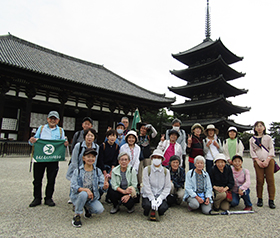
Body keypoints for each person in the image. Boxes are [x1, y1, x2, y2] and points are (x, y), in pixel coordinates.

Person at [28, 111, 68, 207]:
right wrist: (31, 141)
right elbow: (34, 141)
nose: (53, 120)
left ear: (58, 120)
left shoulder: (60, 131)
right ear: (47, 119)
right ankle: (37, 198)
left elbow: (62, 143)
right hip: (40, 158)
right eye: (51, 118)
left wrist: (65, 144)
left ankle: (48, 198)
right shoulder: (41, 129)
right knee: (37, 179)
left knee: (51, 179)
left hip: (53, 159)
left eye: (55, 119)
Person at [70, 148, 109, 228]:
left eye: (93, 157)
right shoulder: (77, 171)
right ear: (83, 158)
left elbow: (102, 185)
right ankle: (77, 215)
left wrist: (105, 187)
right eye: (88, 156)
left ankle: (87, 208)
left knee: (100, 210)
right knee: (84, 194)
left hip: (92, 198)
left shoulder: (97, 171)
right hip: (79, 196)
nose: (91, 159)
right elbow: (73, 186)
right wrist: (86, 190)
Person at [249, 121, 276, 209]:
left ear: (264, 127)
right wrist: (257, 160)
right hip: (258, 161)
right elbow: (252, 151)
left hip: (269, 160)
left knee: (270, 180)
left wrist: (268, 160)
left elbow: (271, 148)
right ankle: (259, 198)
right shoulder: (252, 140)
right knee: (259, 180)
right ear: (255, 128)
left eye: (261, 126)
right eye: (257, 126)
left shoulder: (268, 138)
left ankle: (271, 199)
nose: (259, 128)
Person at [141, 149, 171, 221]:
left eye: (159, 157)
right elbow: (146, 186)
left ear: (162, 159)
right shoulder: (146, 169)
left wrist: (160, 198)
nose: (156, 159)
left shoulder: (166, 171)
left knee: (162, 208)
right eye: (155, 157)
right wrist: (151, 198)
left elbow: (167, 187)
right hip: (148, 195)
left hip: (160, 195)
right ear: (152, 158)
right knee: (147, 206)